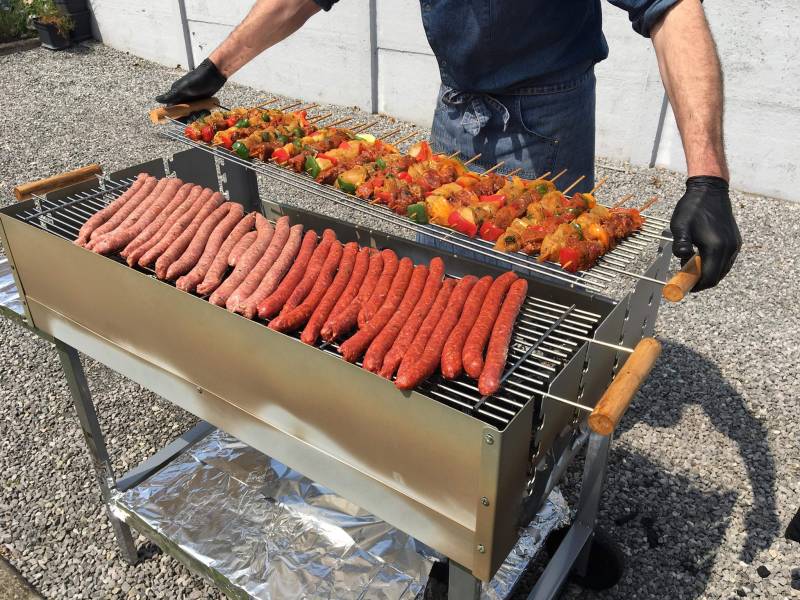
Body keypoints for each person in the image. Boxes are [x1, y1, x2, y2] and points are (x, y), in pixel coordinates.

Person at [156, 0, 741, 292]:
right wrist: (216, 68)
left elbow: (673, 10)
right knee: (436, 280)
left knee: (531, 300)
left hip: (547, 110)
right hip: (457, 105)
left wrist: (707, 179)